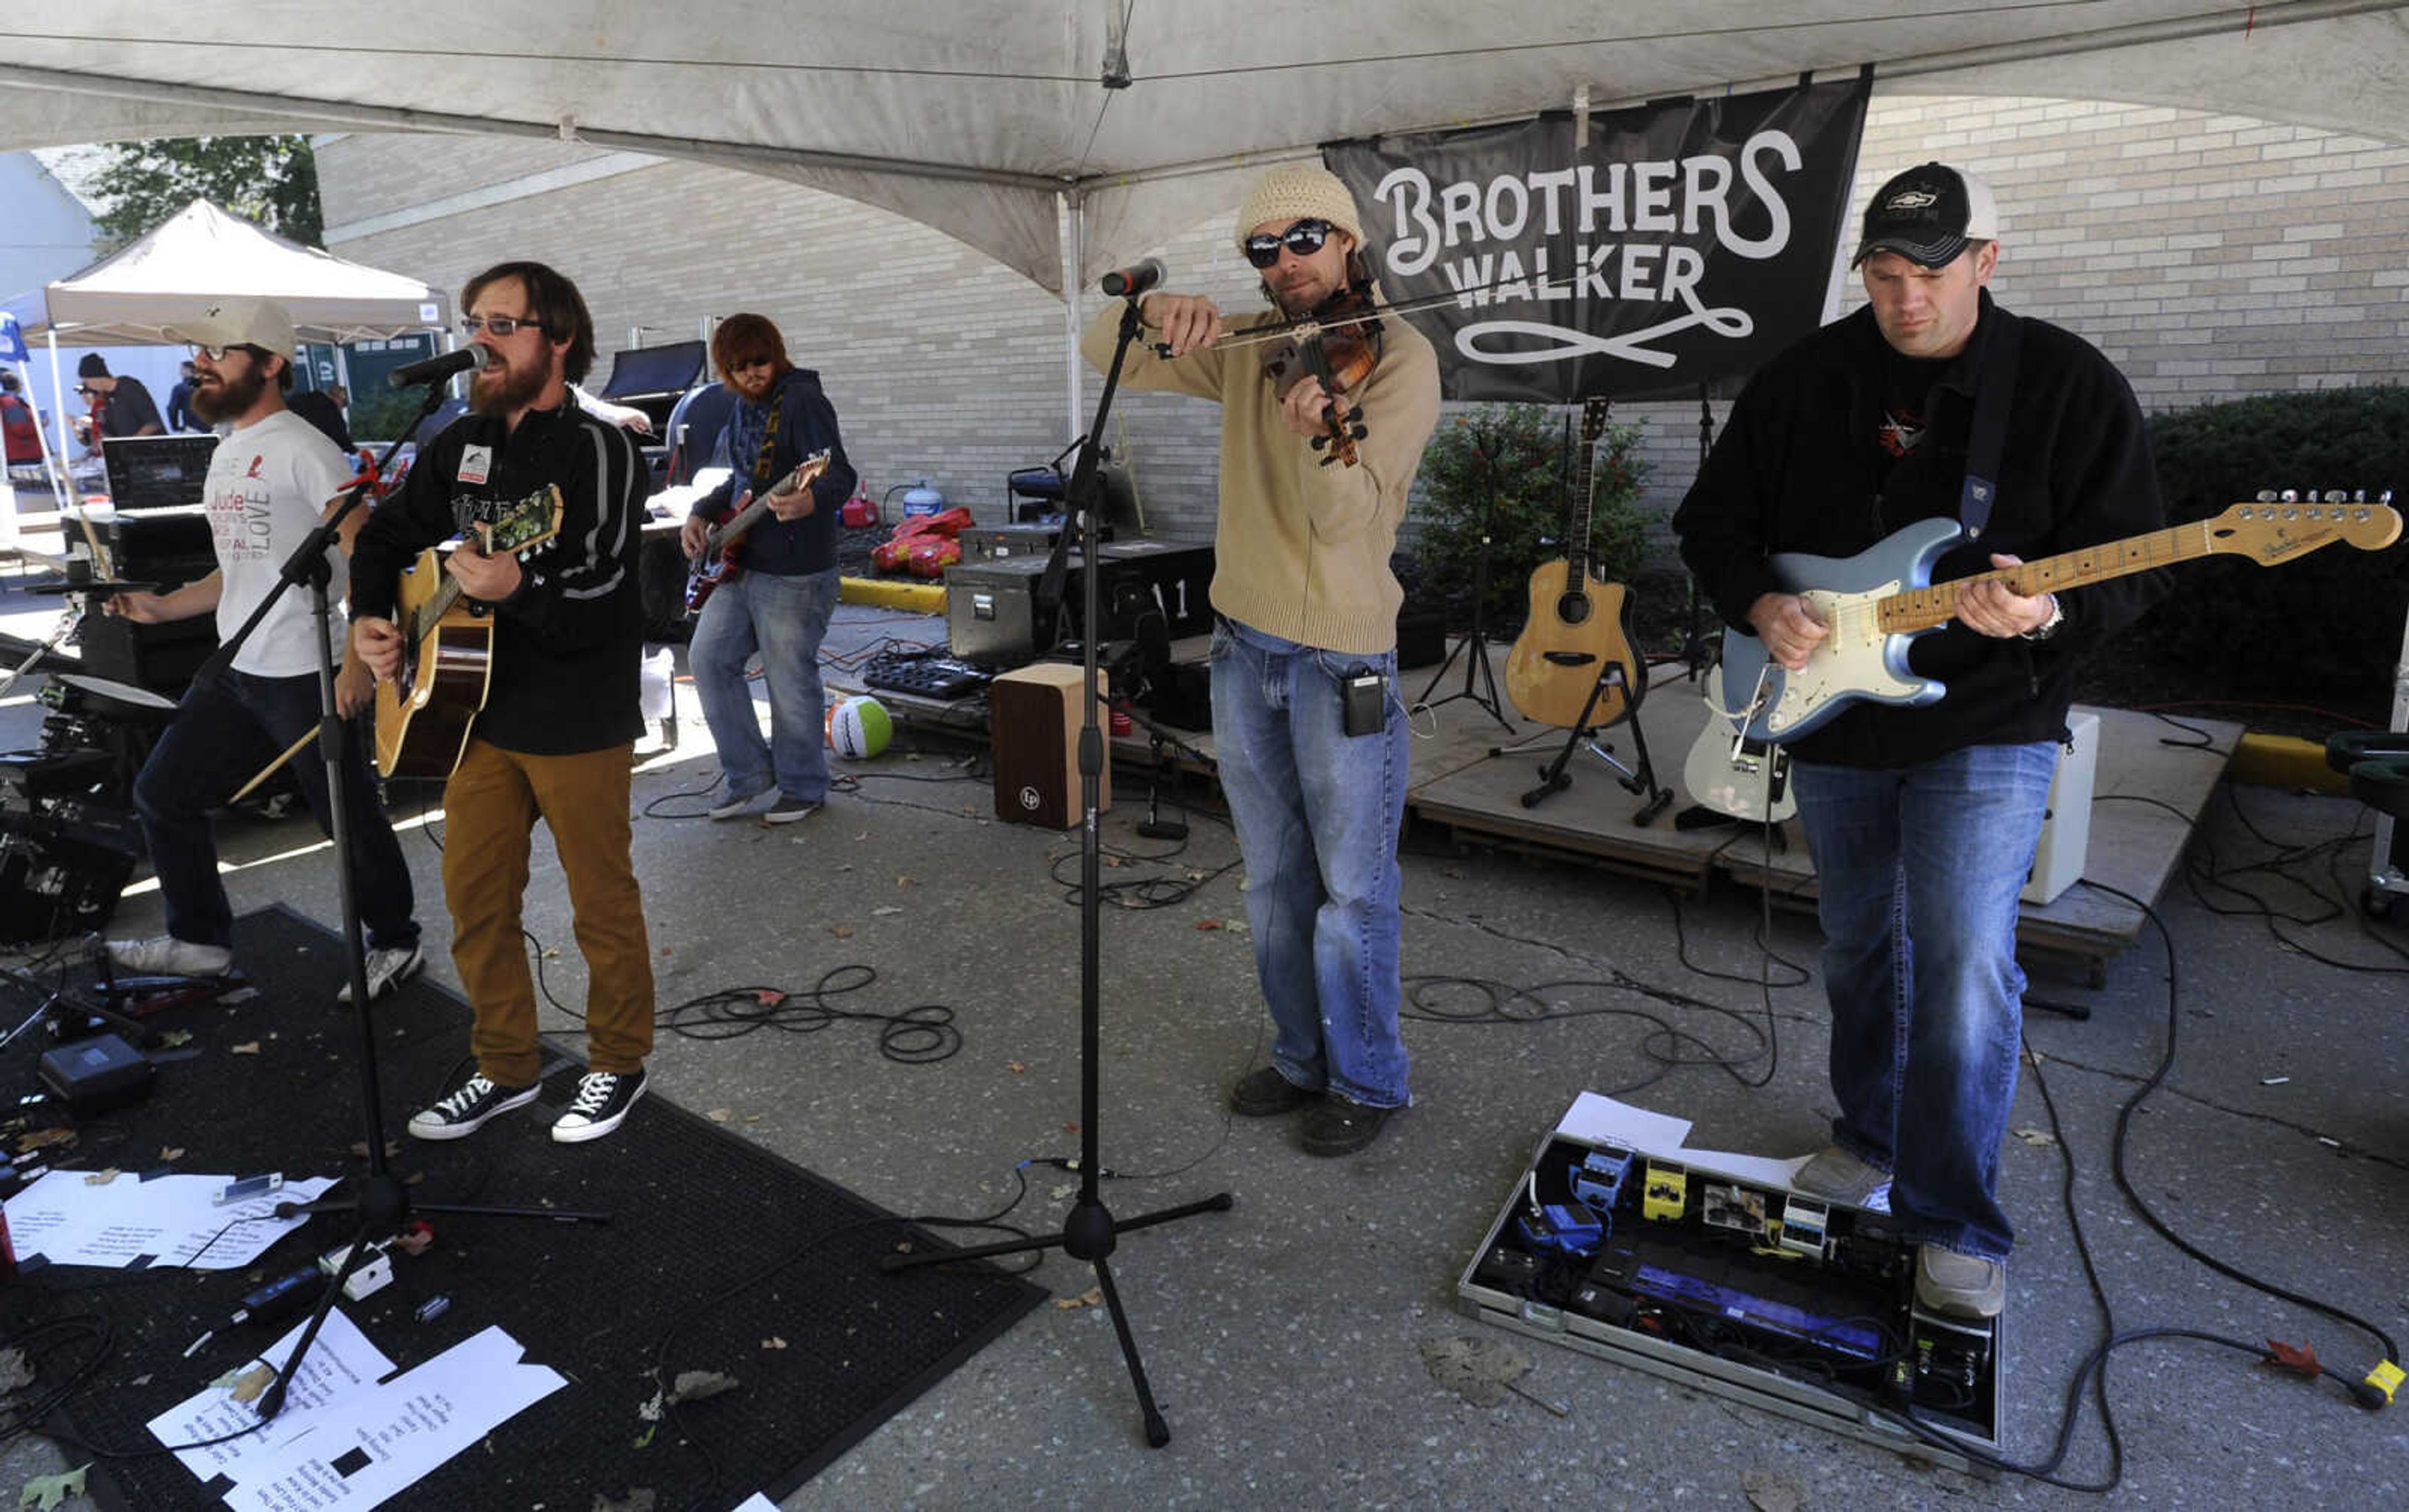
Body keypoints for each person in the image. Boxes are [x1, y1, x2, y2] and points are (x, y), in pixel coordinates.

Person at [1672, 162, 2171, 1318]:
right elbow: (1714, 521)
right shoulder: (1808, 377)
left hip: (1990, 717)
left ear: (1985, 264)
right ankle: (1871, 1132)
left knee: (1963, 965)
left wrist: (2048, 607)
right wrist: (1758, 604)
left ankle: (1954, 1218)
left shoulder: (2063, 384)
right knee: (1857, 944)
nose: (1905, 300)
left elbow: (2133, 561)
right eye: (1885, 275)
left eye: (1930, 275)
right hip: (1833, 710)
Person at [1080, 163, 1440, 1156]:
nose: (1286, 264)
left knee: (1353, 889)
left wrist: (1325, 434)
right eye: (1263, 250)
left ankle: (1369, 1077)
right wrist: (1155, 311)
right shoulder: (1247, 344)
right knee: (1273, 881)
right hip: (1243, 648)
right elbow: (1103, 348)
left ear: (1348, 243)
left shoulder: (1401, 358)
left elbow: (1350, 519)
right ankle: (1298, 1057)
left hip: (1342, 663)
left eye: (1305, 241)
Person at [348, 260, 657, 1146]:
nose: (480, 338)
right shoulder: (460, 439)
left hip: (576, 711)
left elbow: (604, 582)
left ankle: (618, 1063)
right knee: (475, 894)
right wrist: (375, 619)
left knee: (601, 899)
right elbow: (391, 534)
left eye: (503, 323)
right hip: (473, 709)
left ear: (558, 337)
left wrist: (520, 584)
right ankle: (507, 1066)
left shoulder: (600, 446)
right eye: (473, 321)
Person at [102, 297, 423, 999]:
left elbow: (361, 548)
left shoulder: (305, 447)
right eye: (200, 354)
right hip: (238, 668)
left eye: (218, 352)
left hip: (307, 670)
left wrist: (354, 661)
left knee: (348, 816)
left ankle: (395, 941)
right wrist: (164, 606)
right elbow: (245, 566)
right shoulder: (226, 449)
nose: (200, 364)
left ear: (271, 363)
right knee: (162, 794)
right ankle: (201, 943)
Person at [678, 314, 857, 824]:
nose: (753, 373)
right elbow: (734, 481)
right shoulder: (741, 409)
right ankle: (749, 776)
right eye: (738, 367)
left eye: (760, 361)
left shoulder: (802, 400)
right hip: (742, 565)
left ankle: (803, 786)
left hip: (796, 570)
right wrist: (701, 515)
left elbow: (839, 472)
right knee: (709, 660)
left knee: (788, 678)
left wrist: (810, 500)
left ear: (776, 353)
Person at [75, 354, 164, 453]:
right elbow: (110, 431)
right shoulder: (107, 397)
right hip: (132, 457)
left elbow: (153, 423)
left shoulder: (129, 387)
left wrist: (131, 444)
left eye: (87, 382)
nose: (89, 387)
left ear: (96, 378)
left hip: (155, 453)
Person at [288, 385, 354, 454]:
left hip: (293, 446)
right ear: (339, 399)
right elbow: (342, 441)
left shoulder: (302, 400)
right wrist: (355, 451)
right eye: (343, 404)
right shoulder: (331, 411)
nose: (341, 408)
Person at [1, 371, 42, 467]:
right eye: (20, 382)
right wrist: (40, 425)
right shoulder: (11, 403)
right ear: (15, 385)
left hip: (15, 454)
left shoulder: (7, 401)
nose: (22, 385)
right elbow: (20, 428)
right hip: (23, 454)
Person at [166, 359, 201, 432]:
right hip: (211, 430)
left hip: (192, 429)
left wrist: (175, 427)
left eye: (181, 369)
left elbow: (172, 409)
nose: (180, 372)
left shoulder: (179, 388)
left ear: (187, 370)